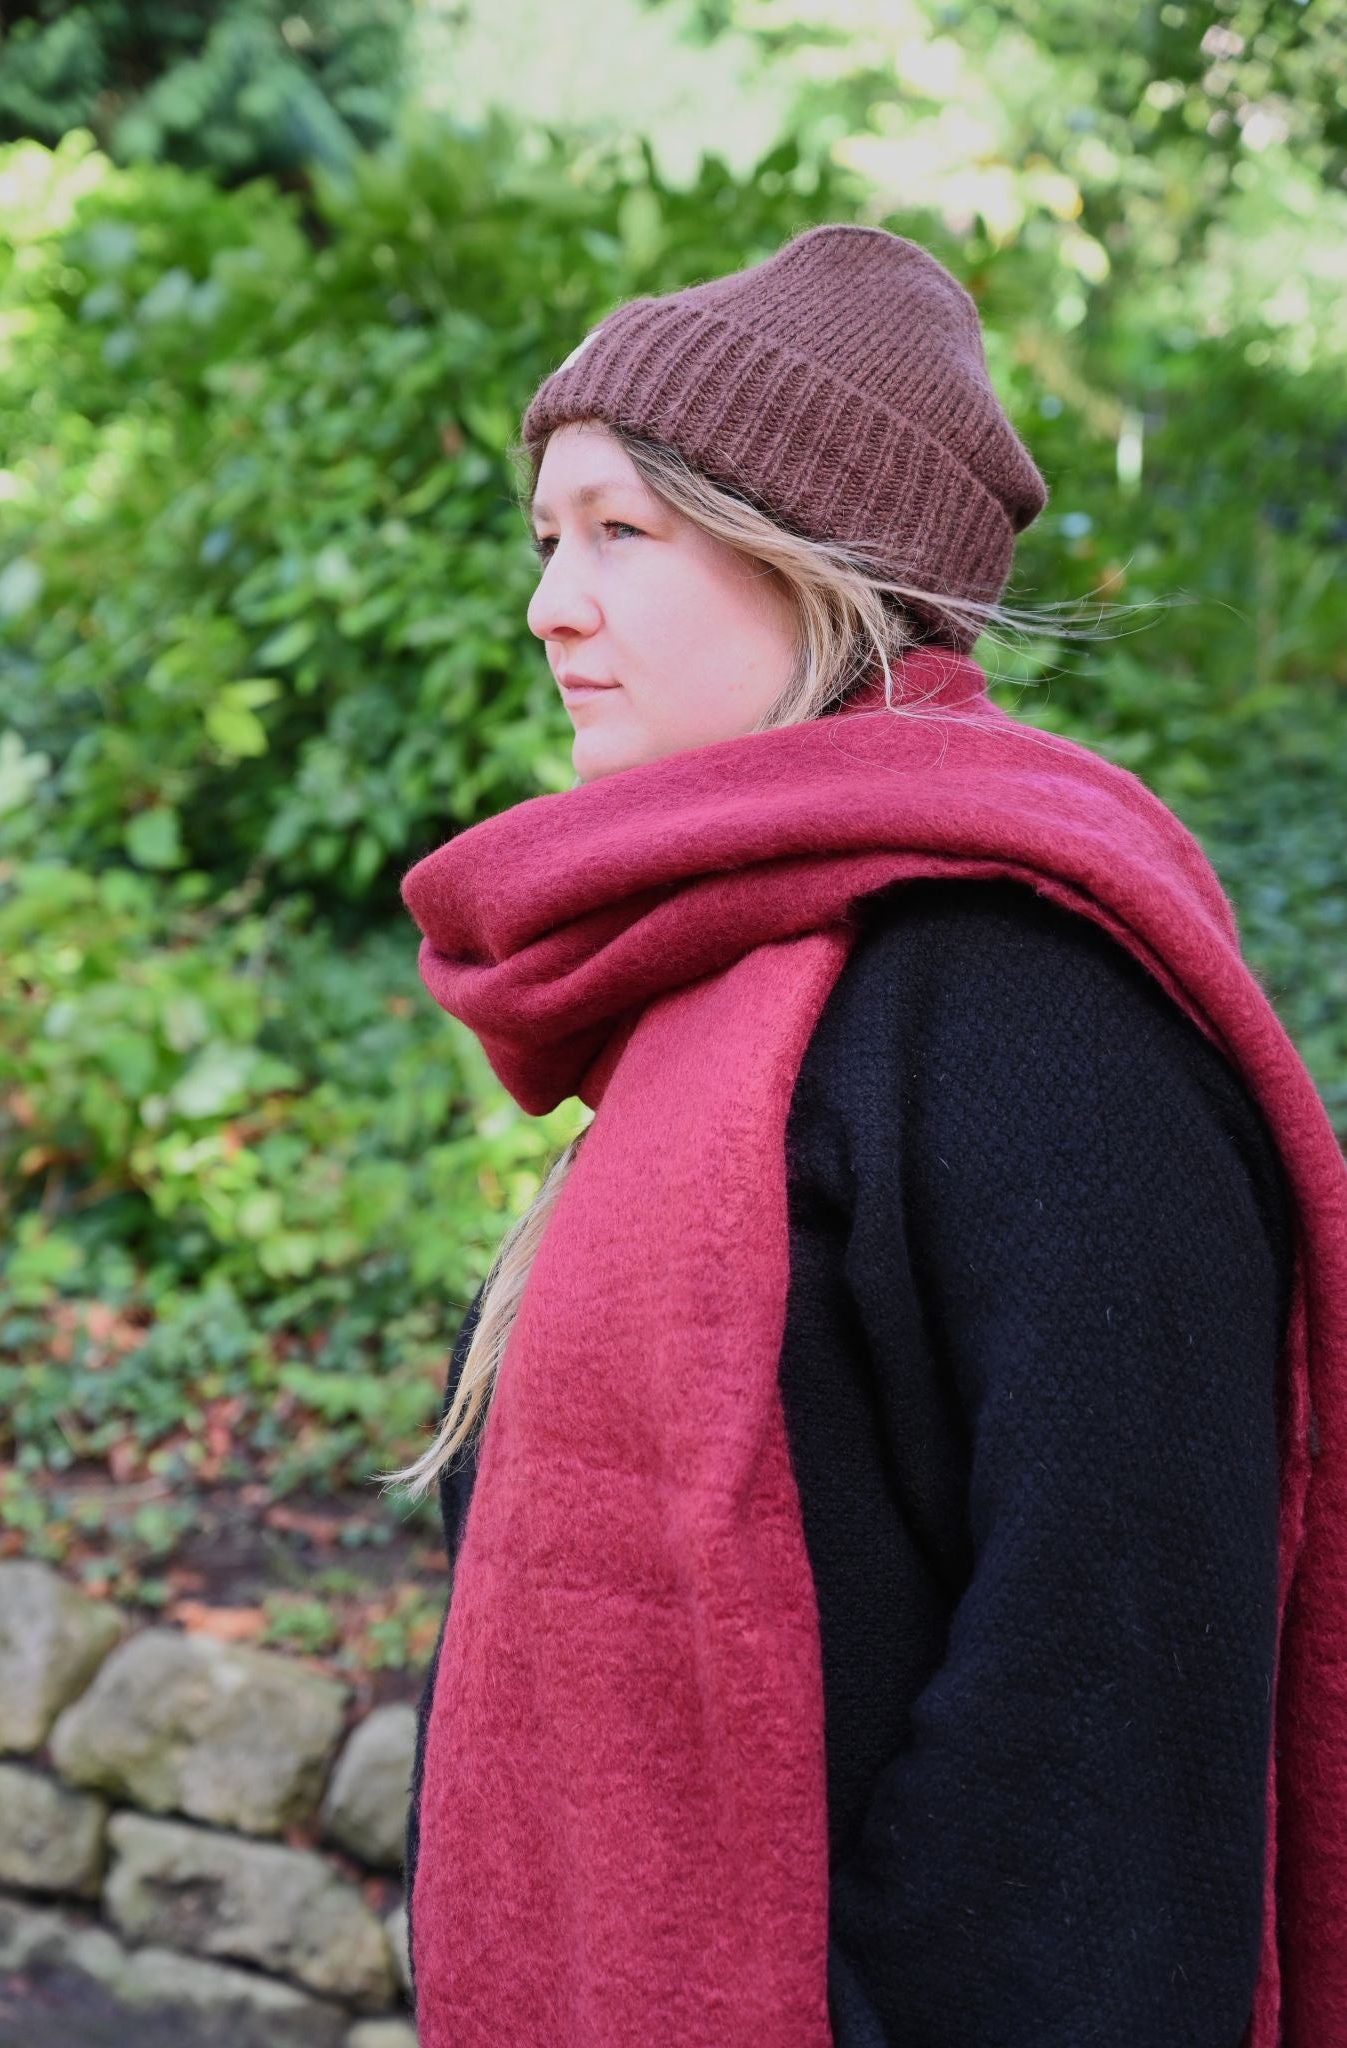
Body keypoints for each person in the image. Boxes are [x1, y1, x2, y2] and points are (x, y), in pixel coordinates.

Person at [390, 224, 1347, 2048]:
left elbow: (1107, 1758)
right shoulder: (729, 967)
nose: (550, 604)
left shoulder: (1037, 1018)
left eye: (621, 533)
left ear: (815, 557)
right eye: (545, 540)